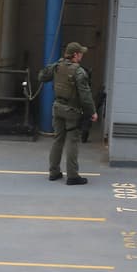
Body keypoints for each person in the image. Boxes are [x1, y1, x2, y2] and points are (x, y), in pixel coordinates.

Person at [37, 42, 98, 185]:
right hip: (72, 111)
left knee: (58, 140)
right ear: (75, 55)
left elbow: (42, 76)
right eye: (80, 53)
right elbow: (85, 95)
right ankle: (72, 176)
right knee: (72, 141)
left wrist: (55, 65)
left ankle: (54, 172)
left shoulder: (57, 66)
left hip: (57, 108)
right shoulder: (79, 72)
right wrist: (92, 112)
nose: (82, 55)